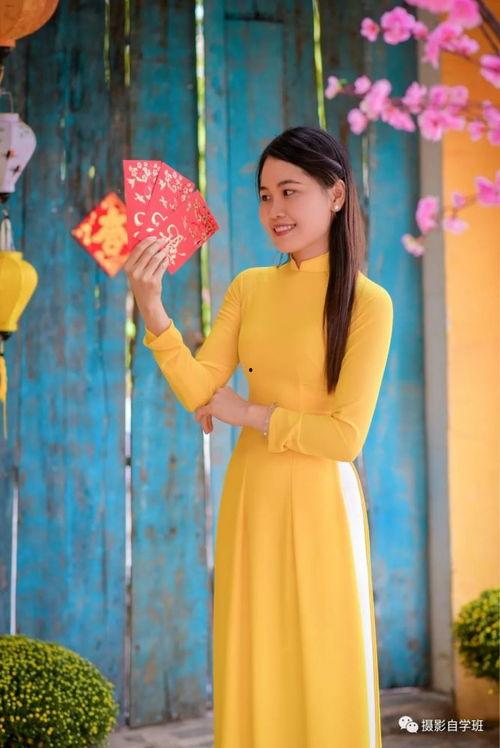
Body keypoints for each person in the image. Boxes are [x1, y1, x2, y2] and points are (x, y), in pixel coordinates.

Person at [124, 125, 393, 748]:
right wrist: (153, 307)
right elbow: (202, 389)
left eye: (290, 191)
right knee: (254, 656)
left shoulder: (368, 303)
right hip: (252, 496)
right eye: (265, 196)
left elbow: (344, 439)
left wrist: (251, 414)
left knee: (324, 657)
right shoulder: (250, 287)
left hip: (322, 505)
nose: (275, 209)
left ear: (335, 195)